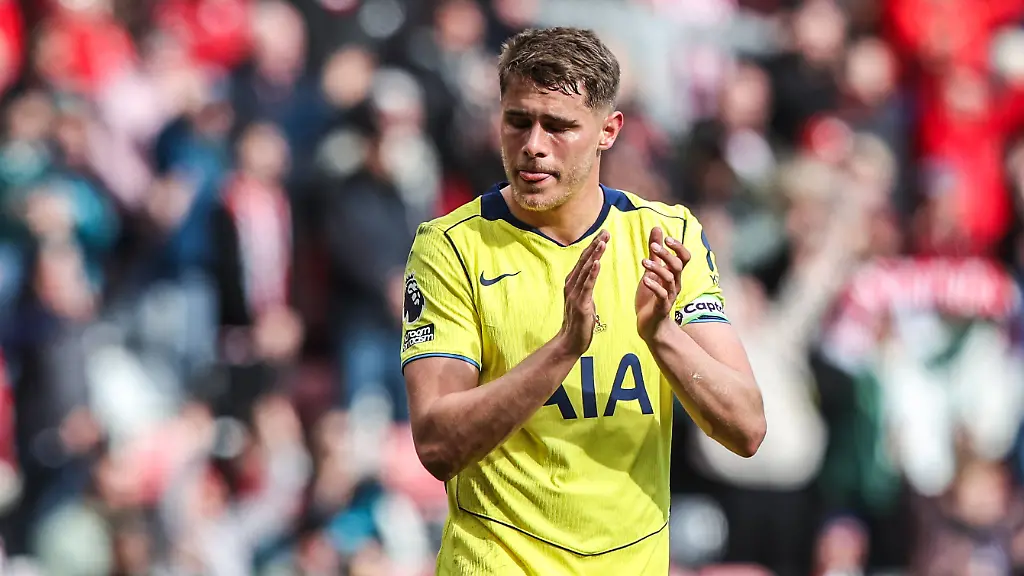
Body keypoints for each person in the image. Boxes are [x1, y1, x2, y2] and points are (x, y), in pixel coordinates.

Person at [400, 27, 766, 575]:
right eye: (518, 121)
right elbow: (436, 444)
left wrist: (661, 335)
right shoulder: (451, 247)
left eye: (559, 126)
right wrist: (564, 348)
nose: (533, 145)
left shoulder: (666, 237)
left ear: (608, 131)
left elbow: (747, 427)